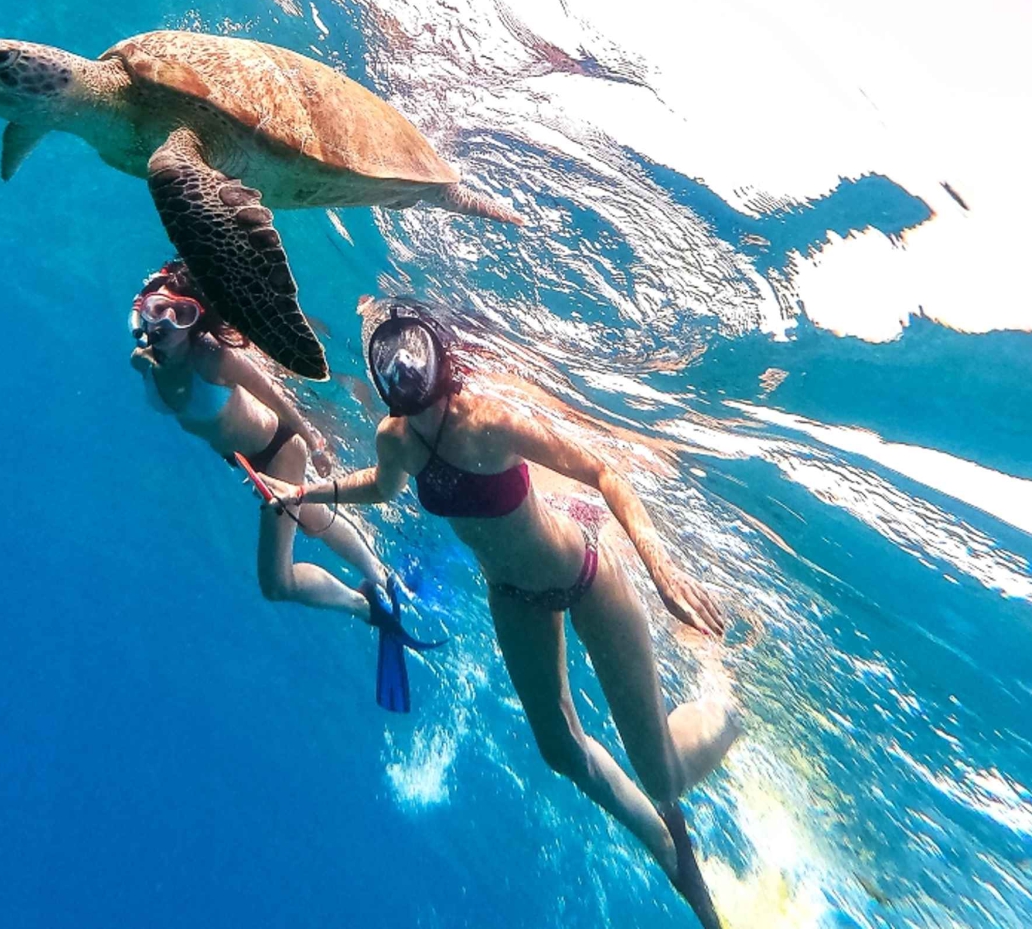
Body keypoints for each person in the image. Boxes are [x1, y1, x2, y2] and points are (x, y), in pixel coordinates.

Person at [255, 301, 740, 927]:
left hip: (585, 573)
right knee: (560, 750)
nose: (402, 370)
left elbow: (601, 471)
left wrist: (662, 572)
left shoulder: (491, 421)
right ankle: (673, 852)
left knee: (663, 776)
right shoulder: (395, 438)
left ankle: (726, 703)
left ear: (439, 357)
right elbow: (381, 486)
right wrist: (303, 493)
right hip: (512, 598)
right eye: (389, 360)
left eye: (411, 354)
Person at [129, 263, 438, 711]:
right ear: (142, 309)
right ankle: (381, 575)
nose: (167, 325)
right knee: (313, 519)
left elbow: (275, 396)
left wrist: (315, 443)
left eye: (183, 315)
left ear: (198, 323)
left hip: (278, 451)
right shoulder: (143, 362)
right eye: (160, 310)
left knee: (276, 583)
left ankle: (370, 607)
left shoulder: (214, 359)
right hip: (248, 462)